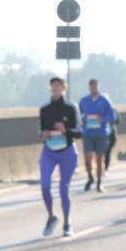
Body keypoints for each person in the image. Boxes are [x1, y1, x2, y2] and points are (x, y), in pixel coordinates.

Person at [38, 77, 82, 237]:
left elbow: (79, 132)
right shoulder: (44, 109)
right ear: (50, 88)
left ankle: (67, 223)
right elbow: (41, 132)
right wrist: (45, 134)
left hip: (67, 151)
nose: (56, 88)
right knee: (44, 186)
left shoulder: (71, 108)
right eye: (53, 86)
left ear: (64, 88)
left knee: (63, 188)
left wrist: (66, 130)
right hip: (49, 151)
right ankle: (51, 217)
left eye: (59, 86)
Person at [79, 78, 117, 192]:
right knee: (87, 159)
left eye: (95, 86)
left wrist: (102, 119)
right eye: (91, 87)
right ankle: (90, 177)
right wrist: (83, 120)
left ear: (98, 87)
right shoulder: (84, 101)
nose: (93, 89)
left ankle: (99, 182)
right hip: (88, 133)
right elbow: (79, 115)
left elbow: (113, 117)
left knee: (99, 159)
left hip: (101, 133)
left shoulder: (105, 100)